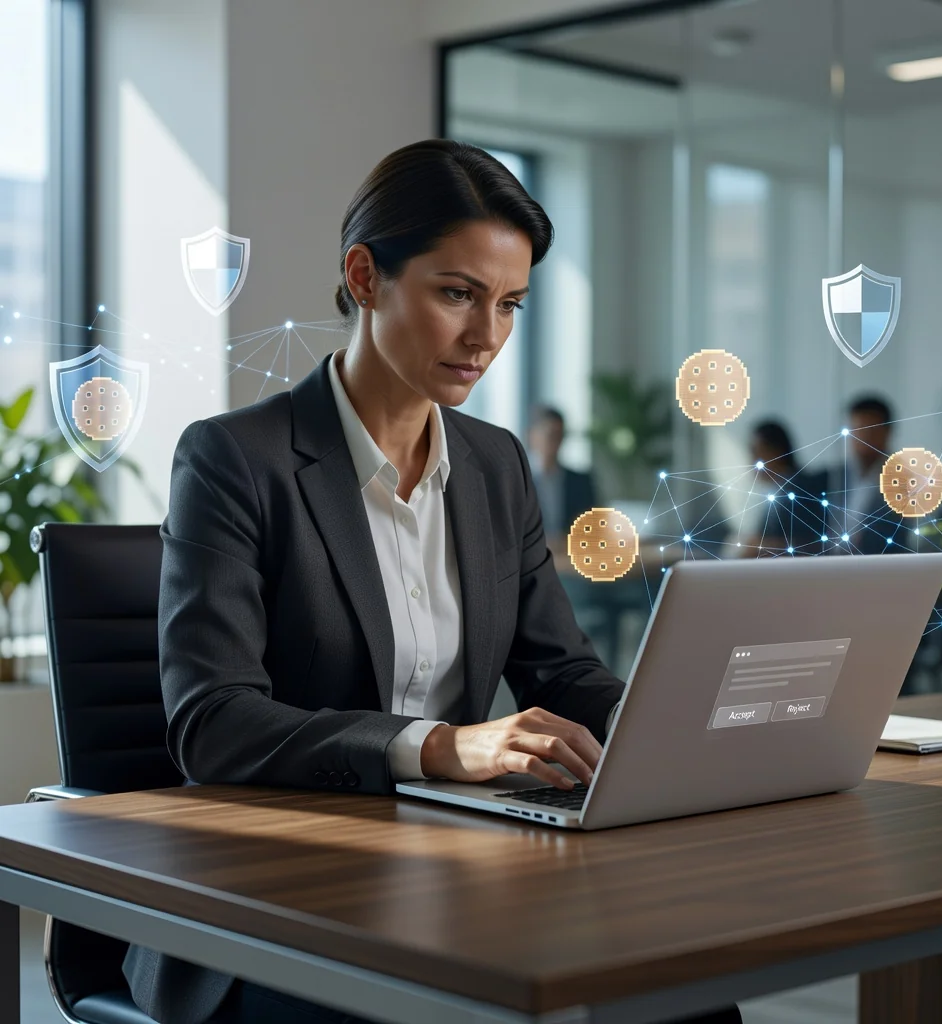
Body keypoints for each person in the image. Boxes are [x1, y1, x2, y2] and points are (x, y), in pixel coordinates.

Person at [121, 140, 742, 1024]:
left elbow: (562, 673)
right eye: (458, 294)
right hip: (275, 900)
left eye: (510, 304)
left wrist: (684, 732)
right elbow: (213, 723)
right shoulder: (234, 460)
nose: (486, 334)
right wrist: (441, 747)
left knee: (682, 993)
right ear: (366, 276)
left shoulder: (494, 466)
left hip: (456, 875)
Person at [738, 420, 826, 557]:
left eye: (756, 452)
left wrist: (761, 547)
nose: (752, 461)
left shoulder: (802, 492)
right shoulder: (775, 492)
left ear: (775, 452)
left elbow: (810, 545)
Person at [833, 394, 901, 554]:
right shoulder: (837, 477)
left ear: (887, 431)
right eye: (856, 429)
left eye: (870, 430)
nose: (862, 437)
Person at [526, 404, 597, 543]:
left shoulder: (581, 482)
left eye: (559, 435)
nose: (554, 442)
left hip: (569, 558)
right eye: (549, 435)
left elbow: (592, 528)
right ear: (532, 436)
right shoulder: (517, 482)